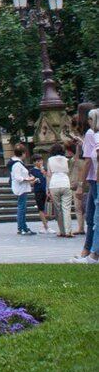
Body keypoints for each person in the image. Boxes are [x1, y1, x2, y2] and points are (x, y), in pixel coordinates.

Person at [81, 109, 99, 261]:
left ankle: (90, 251)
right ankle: (90, 250)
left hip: (94, 179)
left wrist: (81, 184)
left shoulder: (90, 133)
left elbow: (88, 160)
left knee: (93, 217)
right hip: (95, 179)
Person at [47, 142, 73, 237]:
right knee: (66, 208)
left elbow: (49, 175)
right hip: (65, 183)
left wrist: (48, 189)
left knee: (58, 210)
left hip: (54, 184)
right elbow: (69, 172)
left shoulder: (50, 160)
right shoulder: (67, 160)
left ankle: (61, 231)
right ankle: (68, 231)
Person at [9, 145, 33, 236]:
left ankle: (23, 227)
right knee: (21, 208)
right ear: (22, 153)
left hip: (21, 188)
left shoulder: (16, 163)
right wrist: (29, 179)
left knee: (22, 208)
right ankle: (22, 228)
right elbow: (18, 178)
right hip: (21, 189)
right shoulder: (17, 164)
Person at [26, 152, 51, 233]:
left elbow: (48, 178)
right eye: (37, 161)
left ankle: (45, 226)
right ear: (34, 162)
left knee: (46, 209)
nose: (39, 162)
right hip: (38, 191)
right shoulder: (32, 171)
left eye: (40, 160)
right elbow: (30, 183)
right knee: (41, 209)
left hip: (46, 191)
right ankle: (46, 227)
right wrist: (35, 181)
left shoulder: (45, 169)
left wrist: (43, 171)